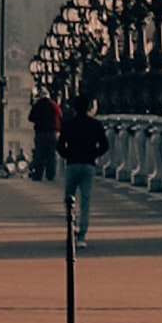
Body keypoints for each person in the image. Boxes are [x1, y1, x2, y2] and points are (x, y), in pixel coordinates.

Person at [56, 92, 110, 247]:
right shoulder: (95, 124)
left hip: (72, 165)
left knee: (69, 200)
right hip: (88, 165)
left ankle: (71, 229)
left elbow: (60, 146)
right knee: (85, 201)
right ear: (88, 107)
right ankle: (82, 236)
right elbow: (105, 145)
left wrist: (69, 155)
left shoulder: (68, 124)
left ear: (74, 107)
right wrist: (94, 155)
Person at [26, 89, 60, 181]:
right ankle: (50, 175)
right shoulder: (54, 105)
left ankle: (38, 175)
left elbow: (31, 118)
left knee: (40, 154)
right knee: (51, 155)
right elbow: (60, 115)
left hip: (40, 133)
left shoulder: (37, 105)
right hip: (52, 133)